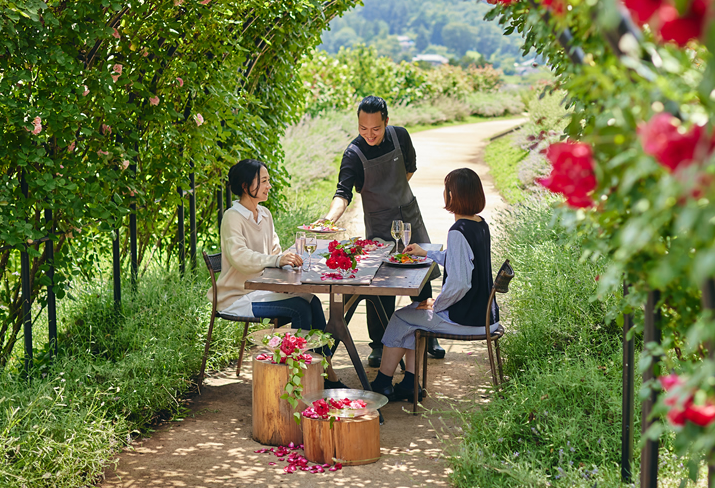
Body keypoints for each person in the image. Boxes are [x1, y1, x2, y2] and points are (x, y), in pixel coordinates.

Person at [319, 95, 444, 367]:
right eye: (363, 129)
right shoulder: (353, 153)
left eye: (375, 128)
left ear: (386, 122)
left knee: (420, 276)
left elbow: (408, 170)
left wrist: (395, 197)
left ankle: (429, 333)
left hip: (409, 216)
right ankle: (379, 345)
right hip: (379, 224)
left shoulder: (400, 137)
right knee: (380, 284)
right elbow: (342, 194)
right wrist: (328, 219)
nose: (369, 135)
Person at [211, 158, 346, 388]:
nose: (268, 186)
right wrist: (276, 259)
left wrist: (289, 261)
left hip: (260, 292)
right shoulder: (232, 217)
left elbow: (274, 253)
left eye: (268, 180)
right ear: (245, 186)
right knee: (299, 307)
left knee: (311, 300)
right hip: (236, 297)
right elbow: (240, 258)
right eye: (263, 181)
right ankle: (303, 382)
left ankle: (325, 374)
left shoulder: (264, 214)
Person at [370, 168, 500, 402]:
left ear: (453, 195)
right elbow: (462, 259)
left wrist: (437, 304)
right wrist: (428, 253)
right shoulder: (480, 224)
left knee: (401, 318)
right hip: (485, 313)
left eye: (446, 189)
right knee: (413, 313)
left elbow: (460, 282)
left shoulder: (458, 231)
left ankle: (382, 383)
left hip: (468, 319)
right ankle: (410, 384)